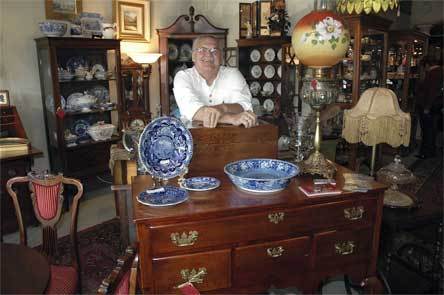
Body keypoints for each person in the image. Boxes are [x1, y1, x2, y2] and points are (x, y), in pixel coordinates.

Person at [173, 35, 257, 128]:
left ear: (221, 57)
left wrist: (222, 108)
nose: (208, 55)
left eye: (214, 50)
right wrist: (232, 118)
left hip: (232, 135)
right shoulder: (183, 77)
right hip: (192, 137)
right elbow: (192, 111)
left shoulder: (233, 74)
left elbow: (244, 105)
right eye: (202, 50)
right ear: (193, 56)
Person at [415, 55, 443, 158]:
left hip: (430, 107)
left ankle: (426, 152)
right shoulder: (439, 72)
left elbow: (431, 92)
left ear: (427, 65)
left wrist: (427, 107)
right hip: (435, 106)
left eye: (424, 66)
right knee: (431, 129)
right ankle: (430, 151)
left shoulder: (434, 74)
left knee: (428, 130)